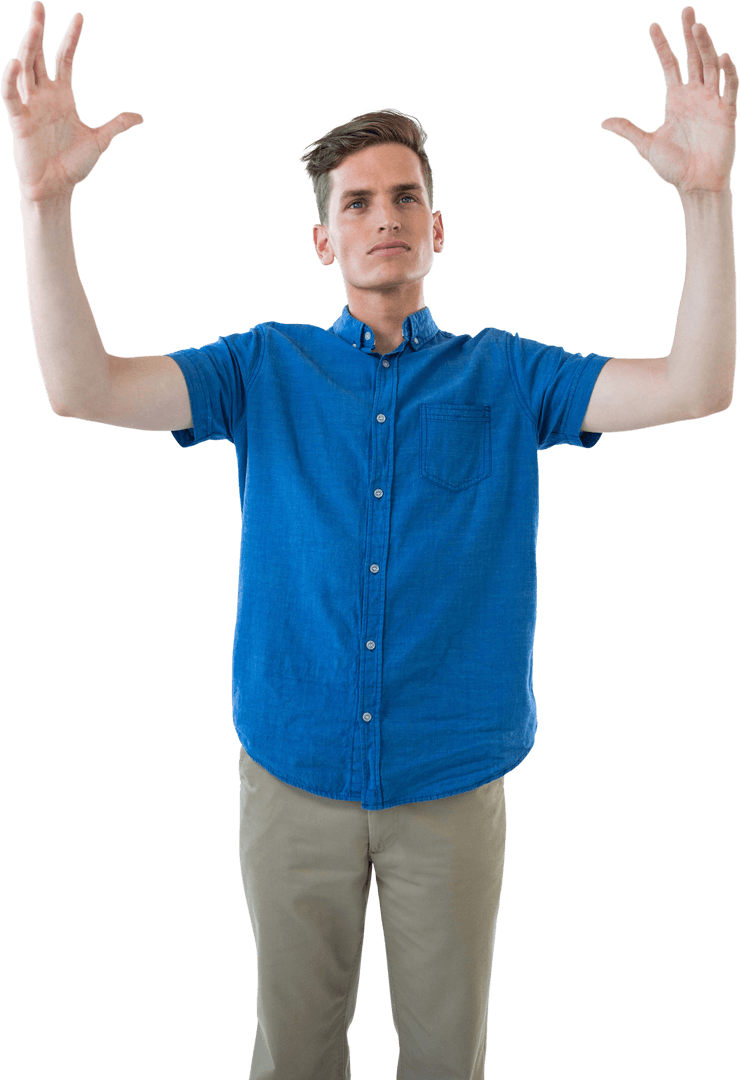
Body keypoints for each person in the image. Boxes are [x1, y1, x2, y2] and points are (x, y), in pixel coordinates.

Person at [3, 3, 736, 1078]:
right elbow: (79, 388)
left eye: (405, 197)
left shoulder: (506, 374)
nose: (382, 215)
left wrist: (706, 197)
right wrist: (43, 200)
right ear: (323, 239)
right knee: (292, 1056)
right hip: (290, 781)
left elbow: (694, 386)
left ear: (438, 229)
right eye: (357, 201)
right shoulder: (263, 367)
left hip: (451, 787)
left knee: (446, 1061)